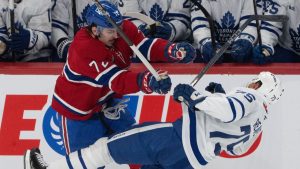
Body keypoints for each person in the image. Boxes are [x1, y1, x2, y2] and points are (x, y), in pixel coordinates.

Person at [24, 71, 284, 169]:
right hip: (190, 162)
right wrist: (213, 98)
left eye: (256, 80)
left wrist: (198, 97)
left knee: (104, 150)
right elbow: (234, 146)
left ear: (263, 86)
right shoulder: (260, 119)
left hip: (173, 140)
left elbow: (230, 111)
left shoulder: (250, 97)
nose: (251, 82)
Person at [45, 0, 195, 158]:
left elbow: (144, 47)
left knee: (141, 151)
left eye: (119, 28)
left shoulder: (120, 29)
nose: (117, 35)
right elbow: (117, 80)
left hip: (109, 103)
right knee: (85, 163)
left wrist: (171, 50)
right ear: (95, 30)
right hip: (78, 113)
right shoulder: (83, 48)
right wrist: (146, 81)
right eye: (111, 31)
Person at [191, 0, 261, 63]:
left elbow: (250, 24)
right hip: (211, 62)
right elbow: (200, 25)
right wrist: (207, 43)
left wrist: (245, 41)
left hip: (240, 60)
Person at [51, 0, 118, 61]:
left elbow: (119, 22)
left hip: (106, 50)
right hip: (74, 53)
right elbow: (56, 28)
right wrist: (68, 48)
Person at [118, 0, 192, 42]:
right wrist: (140, 30)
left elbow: (181, 18)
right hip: (139, 45)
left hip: (175, 43)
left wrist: (171, 30)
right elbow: (129, 17)